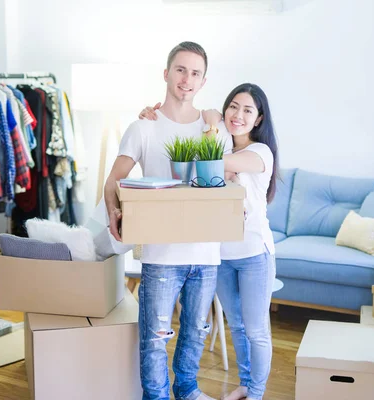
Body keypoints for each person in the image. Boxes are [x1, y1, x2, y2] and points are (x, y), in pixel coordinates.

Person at [104, 41, 232, 400]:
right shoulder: (144, 126)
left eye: (195, 73)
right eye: (180, 70)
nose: (186, 79)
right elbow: (113, 179)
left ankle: (188, 390)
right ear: (166, 73)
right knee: (154, 340)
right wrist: (114, 210)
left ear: (203, 81)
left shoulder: (214, 130)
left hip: (206, 254)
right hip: (162, 256)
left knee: (196, 332)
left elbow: (229, 182)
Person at [139, 83, 279, 400]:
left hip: (255, 254)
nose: (238, 115)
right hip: (221, 255)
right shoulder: (221, 141)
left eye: (247, 110)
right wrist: (154, 115)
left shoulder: (260, 152)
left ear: (258, 119)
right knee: (238, 327)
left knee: (257, 330)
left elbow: (212, 164)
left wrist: (212, 123)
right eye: (233, 106)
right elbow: (193, 153)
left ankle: (255, 394)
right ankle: (245, 385)